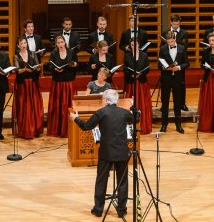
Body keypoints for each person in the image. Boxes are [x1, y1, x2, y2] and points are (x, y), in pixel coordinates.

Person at [70, 89, 133, 218]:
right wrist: (132, 108)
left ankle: (98, 210)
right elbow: (135, 119)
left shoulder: (101, 112)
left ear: (106, 100)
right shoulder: (124, 112)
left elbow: (86, 126)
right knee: (122, 181)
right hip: (121, 152)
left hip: (106, 152)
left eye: (103, 99)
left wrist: (76, 119)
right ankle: (121, 210)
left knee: (101, 180)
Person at [45, 35, 79, 137]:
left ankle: (69, 129)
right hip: (58, 83)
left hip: (69, 82)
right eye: (58, 43)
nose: (60, 44)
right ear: (56, 44)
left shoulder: (71, 52)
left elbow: (77, 64)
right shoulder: (54, 53)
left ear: (65, 42)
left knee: (68, 106)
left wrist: (74, 65)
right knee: (57, 107)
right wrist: (54, 69)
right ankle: (57, 129)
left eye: (62, 42)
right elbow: (49, 66)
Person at [12, 36, 45, 139]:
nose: (23, 45)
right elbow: (17, 70)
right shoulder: (16, 56)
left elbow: (37, 67)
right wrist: (25, 69)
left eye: (25, 43)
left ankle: (35, 129)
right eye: (21, 44)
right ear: (18, 46)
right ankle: (24, 130)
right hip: (22, 84)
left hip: (33, 83)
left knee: (34, 105)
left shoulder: (32, 53)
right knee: (23, 107)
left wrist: (38, 68)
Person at [158, 31, 189, 133]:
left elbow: (187, 63)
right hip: (166, 79)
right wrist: (164, 67)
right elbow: (159, 65)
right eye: (168, 42)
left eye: (172, 41)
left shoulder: (182, 48)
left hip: (177, 79)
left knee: (177, 103)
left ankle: (178, 125)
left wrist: (178, 67)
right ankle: (164, 125)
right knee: (165, 103)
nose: (170, 43)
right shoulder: (162, 49)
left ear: (175, 39)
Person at [123, 38, 152, 135]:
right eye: (132, 45)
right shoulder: (127, 56)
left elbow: (147, 69)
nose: (134, 46)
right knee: (131, 104)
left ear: (139, 45)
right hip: (131, 83)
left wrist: (141, 74)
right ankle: (129, 128)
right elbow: (125, 69)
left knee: (143, 104)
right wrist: (131, 74)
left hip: (141, 83)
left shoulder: (144, 55)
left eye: (135, 44)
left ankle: (143, 126)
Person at [167, 15, 189, 110]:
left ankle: (182, 104)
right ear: (171, 22)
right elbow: (162, 47)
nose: (176, 25)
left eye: (178, 24)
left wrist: (175, 42)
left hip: (179, 61)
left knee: (181, 84)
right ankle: (165, 105)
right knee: (166, 85)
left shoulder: (184, 33)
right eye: (174, 24)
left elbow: (185, 46)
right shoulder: (165, 32)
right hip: (168, 61)